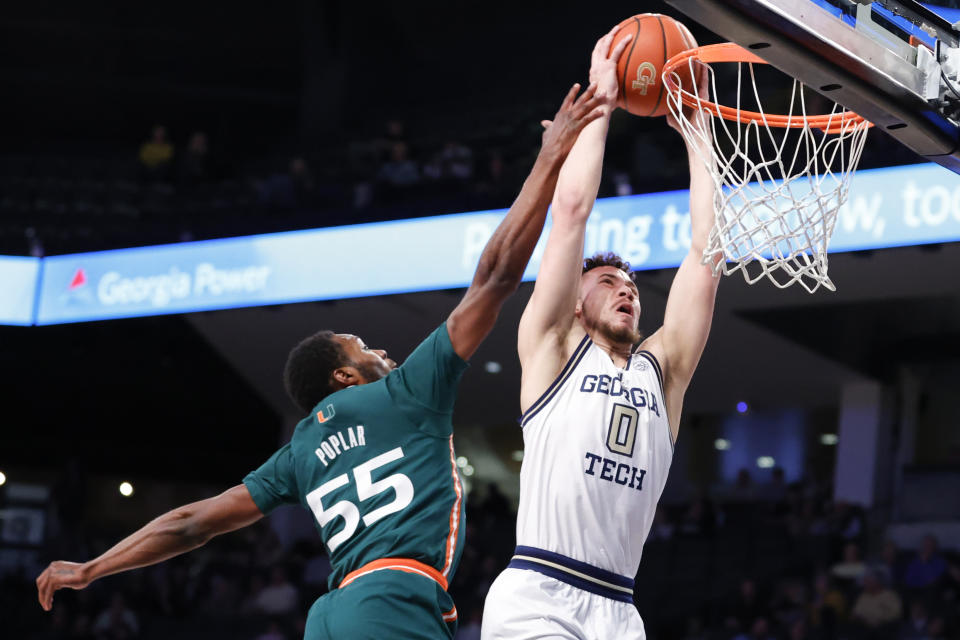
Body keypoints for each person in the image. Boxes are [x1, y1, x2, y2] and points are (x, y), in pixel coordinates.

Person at [35, 83, 609, 640]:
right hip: (394, 600)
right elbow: (496, 276)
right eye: (363, 346)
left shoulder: (301, 452)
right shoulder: (407, 390)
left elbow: (191, 523)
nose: (381, 350)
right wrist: (550, 157)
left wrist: (92, 569)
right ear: (344, 375)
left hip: (330, 615)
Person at [481, 25, 719, 639]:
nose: (626, 288)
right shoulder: (553, 348)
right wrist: (602, 101)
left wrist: (699, 134)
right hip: (539, 594)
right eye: (608, 280)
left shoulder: (661, 371)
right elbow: (571, 214)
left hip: (620, 609)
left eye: (632, 284)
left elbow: (707, 252)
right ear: (577, 305)